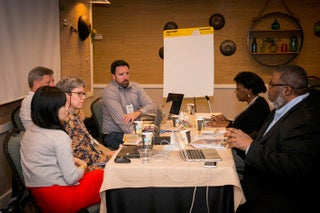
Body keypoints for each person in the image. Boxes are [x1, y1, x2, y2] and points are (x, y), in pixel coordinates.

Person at [226, 65, 320, 213]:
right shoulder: (282, 108)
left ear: (287, 90)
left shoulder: (305, 120)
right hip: (259, 183)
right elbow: (265, 136)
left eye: (271, 84)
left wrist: (249, 146)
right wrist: (240, 138)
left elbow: (294, 167)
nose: (267, 88)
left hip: (276, 197)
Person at [20, 86, 103, 213]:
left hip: (40, 196)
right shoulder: (59, 137)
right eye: (64, 106)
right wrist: (84, 166)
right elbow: (72, 177)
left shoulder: (29, 131)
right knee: (104, 176)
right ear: (52, 110)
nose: (66, 110)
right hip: (61, 199)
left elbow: (48, 157)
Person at [207, 71, 270, 176]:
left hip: (243, 156)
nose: (235, 91)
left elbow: (248, 134)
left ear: (248, 90)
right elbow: (243, 125)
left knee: (212, 156)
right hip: (240, 151)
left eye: (238, 88)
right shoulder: (255, 102)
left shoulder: (258, 106)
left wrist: (227, 125)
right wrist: (226, 121)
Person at [56, 76, 114, 170]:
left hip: (95, 160)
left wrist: (108, 154)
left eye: (84, 94)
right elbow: (81, 155)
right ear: (66, 95)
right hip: (84, 168)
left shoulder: (74, 116)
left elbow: (89, 144)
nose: (83, 98)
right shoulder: (67, 120)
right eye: (79, 94)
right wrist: (109, 157)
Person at [102, 59, 157, 150]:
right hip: (114, 134)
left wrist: (139, 112)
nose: (125, 77)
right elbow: (122, 121)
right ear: (113, 76)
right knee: (146, 143)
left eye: (127, 73)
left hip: (134, 129)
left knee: (155, 135)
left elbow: (153, 106)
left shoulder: (136, 87)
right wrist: (138, 136)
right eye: (121, 74)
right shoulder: (109, 92)